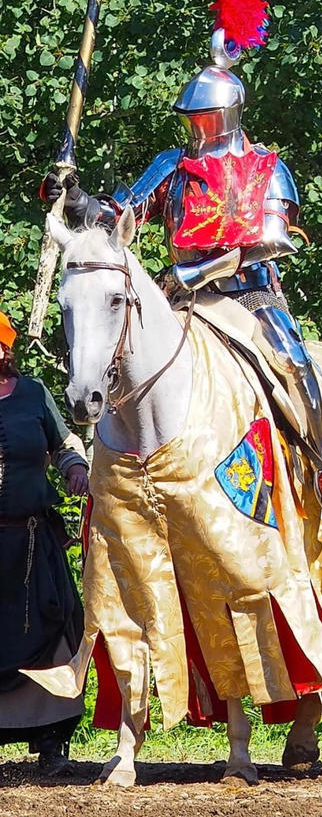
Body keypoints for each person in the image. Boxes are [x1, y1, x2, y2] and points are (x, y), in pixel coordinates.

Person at [42, 0, 322, 509]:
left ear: (231, 114)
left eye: (205, 117)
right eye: (191, 118)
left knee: (294, 364)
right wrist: (74, 198)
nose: (196, 128)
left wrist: (199, 273)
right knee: (116, 359)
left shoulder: (267, 167)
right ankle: (114, 493)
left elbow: (270, 243)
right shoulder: (172, 164)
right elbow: (119, 214)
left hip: (248, 297)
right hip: (175, 301)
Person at [0, 310, 89, 774]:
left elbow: (62, 444)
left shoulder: (34, 393)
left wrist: (75, 467)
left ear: (5, 349)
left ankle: (51, 741)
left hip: (32, 541)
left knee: (51, 629)